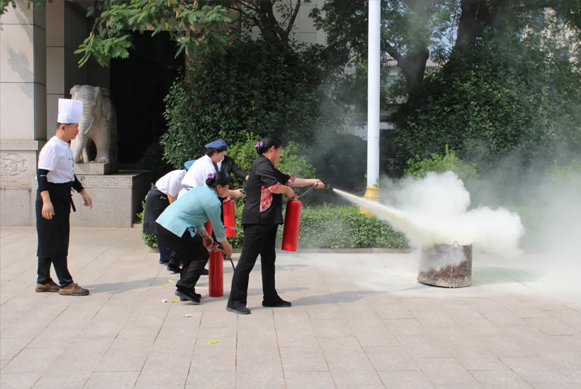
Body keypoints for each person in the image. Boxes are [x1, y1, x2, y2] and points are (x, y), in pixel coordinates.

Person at [226, 136, 325, 314]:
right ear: (273, 149)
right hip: (257, 221)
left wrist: (313, 181)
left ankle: (270, 297)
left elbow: (289, 180)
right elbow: (275, 187)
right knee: (246, 262)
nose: (280, 154)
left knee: (268, 260)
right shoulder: (262, 164)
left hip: (268, 220)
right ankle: (235, 302)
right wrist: (287, 191)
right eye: (279, 150)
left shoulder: (269, 167)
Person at [35, 98, 93, 296]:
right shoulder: (52, 147)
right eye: (75, 127)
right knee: (56, 241)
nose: (78, 130)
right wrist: (46, 201)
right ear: (63, 127)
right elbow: (42, 175)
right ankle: (66, 283)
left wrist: (82, 191)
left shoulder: (65, 146)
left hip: (61, 196)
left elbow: (68, 174)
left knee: (48, 240)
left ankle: (43, 280)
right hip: (50, 198)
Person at [156, 172, 234, 304]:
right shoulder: (213, 201)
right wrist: (226, 245)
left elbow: (195, 216)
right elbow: (218, 226)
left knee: (189, 255)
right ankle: (184, 287)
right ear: (219, 187)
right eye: (228, 187)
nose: (228, 190)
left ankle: (187, 290)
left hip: (164, 225)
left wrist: (205, 235)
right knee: (201, 255)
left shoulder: (200, 190)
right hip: (175, 228)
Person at [142, 161, 193, 268]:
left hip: (165, 198)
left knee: (170, 228)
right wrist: (175, 212)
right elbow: (171, 196)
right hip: (158, 198)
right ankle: (165, 257)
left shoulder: (188, 180)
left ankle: (172, 257)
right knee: (162, 228)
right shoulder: (177, 176)